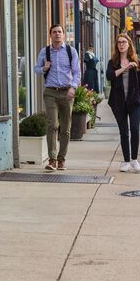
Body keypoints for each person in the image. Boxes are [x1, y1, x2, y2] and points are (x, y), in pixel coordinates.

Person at [33, 24, 81, 171]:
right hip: (51, 92)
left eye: (60, 32)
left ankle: (62, 159)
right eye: (54, 32)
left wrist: (73, 87)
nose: (57, 34)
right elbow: (36, 69)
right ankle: (52, 159)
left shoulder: (70, 51)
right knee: (52, 125)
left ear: (64, 35)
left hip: (67, 92)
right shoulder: (45, 51)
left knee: (66, 128)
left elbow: (77, 72)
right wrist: (44, 68)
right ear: (50, 35)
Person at [106, 34, 140, 173]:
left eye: (124, 42)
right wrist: (124, 68)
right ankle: (125, 161)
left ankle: (134, 160)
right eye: (119, 42)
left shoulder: (137, 62)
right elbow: (110, 76)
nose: (121, 44)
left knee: (135, 129)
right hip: (118, 102)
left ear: (129, 44)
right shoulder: (112, 62)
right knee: (124, 131)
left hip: (134, 101)